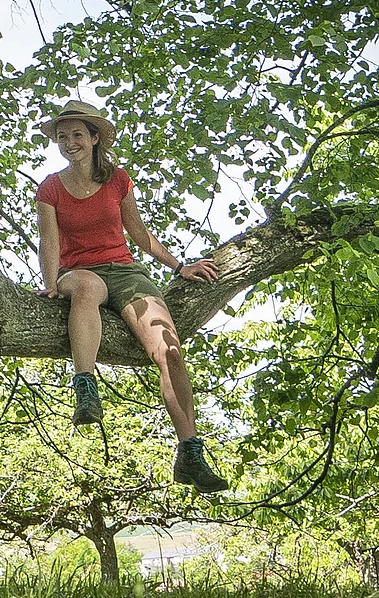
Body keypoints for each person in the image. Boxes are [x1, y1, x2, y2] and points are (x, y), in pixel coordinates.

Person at [32, 100, 230, 493]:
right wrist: (52, 282)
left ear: (93, 139)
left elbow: (139, 235)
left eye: (77, 135)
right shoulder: (50, 188)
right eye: (62, 136)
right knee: (86, 288)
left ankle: (190, 452)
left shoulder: (118, 180)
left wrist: (180, 267)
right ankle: (86, 387)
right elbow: (48, 241)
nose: (69, 142)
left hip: (125, 272)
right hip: (79, 273)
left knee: (170, 350)